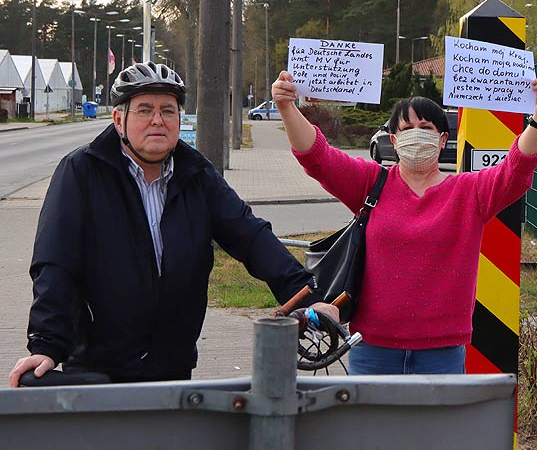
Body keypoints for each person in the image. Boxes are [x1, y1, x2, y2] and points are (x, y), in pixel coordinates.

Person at [9, 61, 332, 387]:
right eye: (144, 110)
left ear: (180, 120)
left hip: (172, 365)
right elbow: (55, 263)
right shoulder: (81, 172)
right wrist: (46, 345)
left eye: (168, 111)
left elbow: (250, 236)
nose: (157, 121)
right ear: (119, 119)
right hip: (97, 367)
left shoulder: (197, 175)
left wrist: (307, 296)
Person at [272, 70, 537, 375]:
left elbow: (515, 171)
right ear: (394, 140)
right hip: (372, 350)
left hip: (442, 354)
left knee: (436, 426)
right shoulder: (370, 183)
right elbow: (318, 157)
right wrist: (287, 107)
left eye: (426, 127)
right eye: (407, 128)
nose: (416, 133)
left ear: (442, 137)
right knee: (370, 425)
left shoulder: (469, 192)